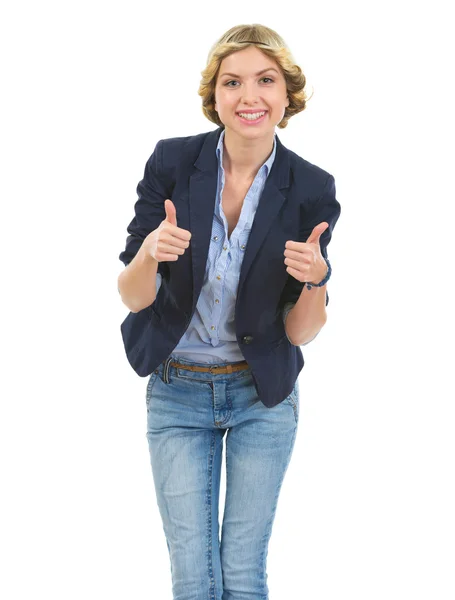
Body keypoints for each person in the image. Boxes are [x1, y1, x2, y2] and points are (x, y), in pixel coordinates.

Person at [118, 23, 341, 600]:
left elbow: (300, 331)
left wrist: (315, 280)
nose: (249, 96)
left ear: (286, 95)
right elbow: (133, 295)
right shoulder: (172, 162)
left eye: (265, 80)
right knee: (194, 579)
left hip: (260, 397)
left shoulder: (312, 187)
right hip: (177, 392)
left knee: (242, 574)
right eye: (232, 81)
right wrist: (149, 251)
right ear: (213, 96)